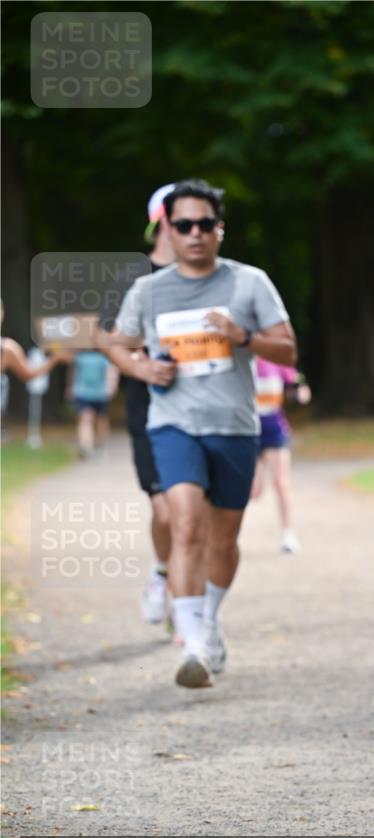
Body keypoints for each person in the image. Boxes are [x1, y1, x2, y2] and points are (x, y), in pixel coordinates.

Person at [109, 178, 297, 689]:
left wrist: (241, 336)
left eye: (205, 224)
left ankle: (208, 621)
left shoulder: (248, 282)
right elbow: (117, 343)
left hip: (235, 427)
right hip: (173, 425)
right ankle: (191, 642)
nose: (195, 234)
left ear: (219, 229)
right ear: (168, 228)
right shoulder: (148, 290)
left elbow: (287, 350)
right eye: (184, 225)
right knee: (185, 523)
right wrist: (142, 370)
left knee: (224, 540)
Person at [95, 183, 177, 627]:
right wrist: (139, 365)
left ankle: (190, 611)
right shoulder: (134, 276)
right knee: (165, 510)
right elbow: (102, 335)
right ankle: (162, 575)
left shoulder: (210, 273)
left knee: (194, 512)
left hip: (202, 408)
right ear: (163, 219)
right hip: (149, 409)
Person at [251, 357, 311, 553]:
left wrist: (300, 391)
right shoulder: (241, 359)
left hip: (274, 429)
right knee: (253, 490)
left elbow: (297, 381)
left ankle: (288, 532)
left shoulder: (275, 361)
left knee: (281, 483)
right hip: (247, 429)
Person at [67, 349, 118, 458]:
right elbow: (74, 372)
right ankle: (85, 447)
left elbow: (111, 371)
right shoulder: (80, 356)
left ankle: (99, 446)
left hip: (100, 393)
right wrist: (70, 387)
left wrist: (111, 387)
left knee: (101, 421)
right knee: (85, 419)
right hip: (83, 392)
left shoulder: (104, 355)